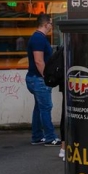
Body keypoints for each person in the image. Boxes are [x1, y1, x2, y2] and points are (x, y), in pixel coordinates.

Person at [25, 13, 60, 146]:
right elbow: (39, 61)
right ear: (46, 24)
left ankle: (37, 137)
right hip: (39, 79)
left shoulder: (38, 38)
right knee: (46, 107)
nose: (52, 25)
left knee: (39, 108)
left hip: (34, 78)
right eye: (51, 23)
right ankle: (50, 138)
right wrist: (47, 77)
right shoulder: (39, 39)